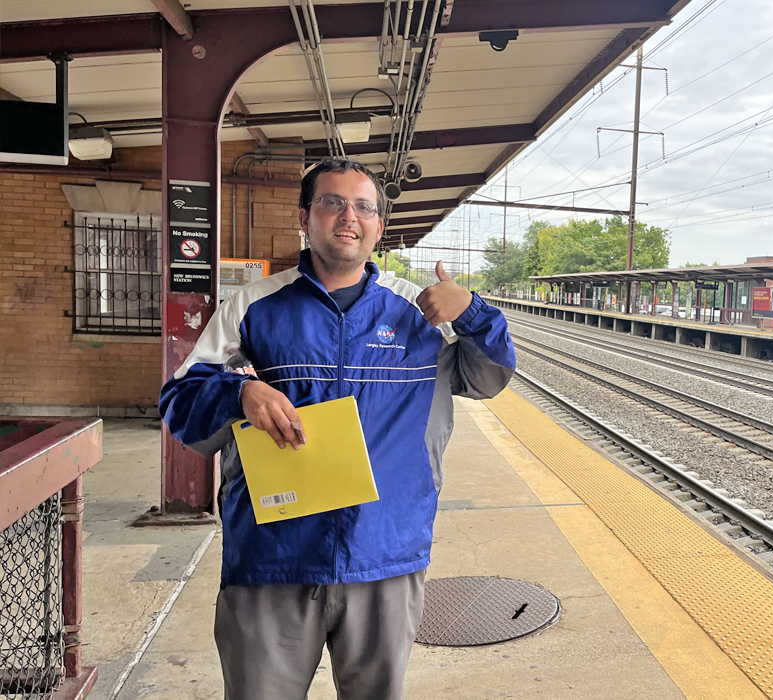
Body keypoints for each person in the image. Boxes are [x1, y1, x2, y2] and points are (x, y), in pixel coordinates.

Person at [159, 158, 516, 700]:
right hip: (271, 556)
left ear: (378, 225)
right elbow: (180, 401)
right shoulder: (253, 307)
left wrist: (474, 313)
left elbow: (489, 378)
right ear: (305, 217)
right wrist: (239, 392)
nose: (349, 217)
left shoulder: (419, 315)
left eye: (364, 207)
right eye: (333, 203)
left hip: (385, 554)